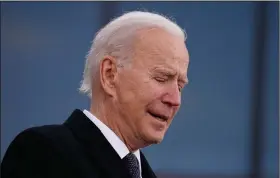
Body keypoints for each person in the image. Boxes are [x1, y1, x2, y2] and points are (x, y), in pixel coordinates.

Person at [1, 10, 190, 178]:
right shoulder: (43, 153)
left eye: (180, 86)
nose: (175, 100)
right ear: (109, 75)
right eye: (161, 77)